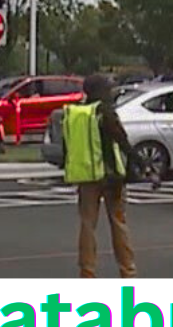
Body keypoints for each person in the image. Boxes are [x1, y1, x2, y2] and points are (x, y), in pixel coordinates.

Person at [62, 73, 155, 279]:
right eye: (108, 88)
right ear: (99, 91)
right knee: (118, 224)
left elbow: (66, 148)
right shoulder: (105, 112)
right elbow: (122, 141)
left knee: (87, 226)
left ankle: (87, 273)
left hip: (86, 176)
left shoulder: (76, 113)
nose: (112, 92)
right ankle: (128, 271)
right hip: (111, 177)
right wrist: (142, 165)